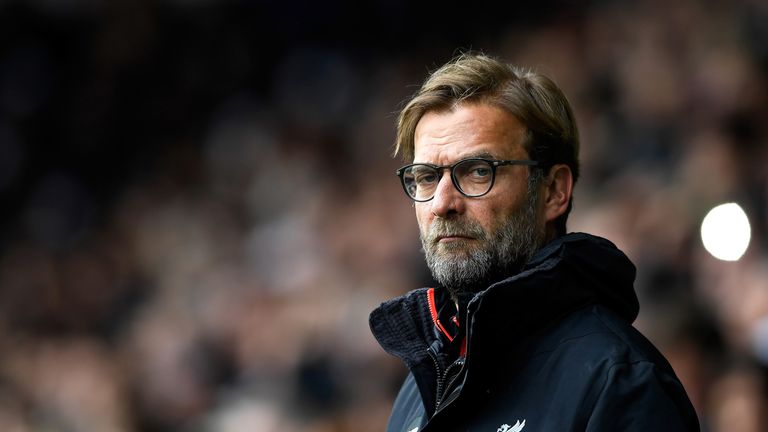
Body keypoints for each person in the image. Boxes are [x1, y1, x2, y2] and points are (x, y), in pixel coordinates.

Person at [368, 53, 700, 432]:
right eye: (426, 177)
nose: (442, 203)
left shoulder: (619, 380)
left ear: (554, 191)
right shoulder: (418, 388)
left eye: (478, 171)